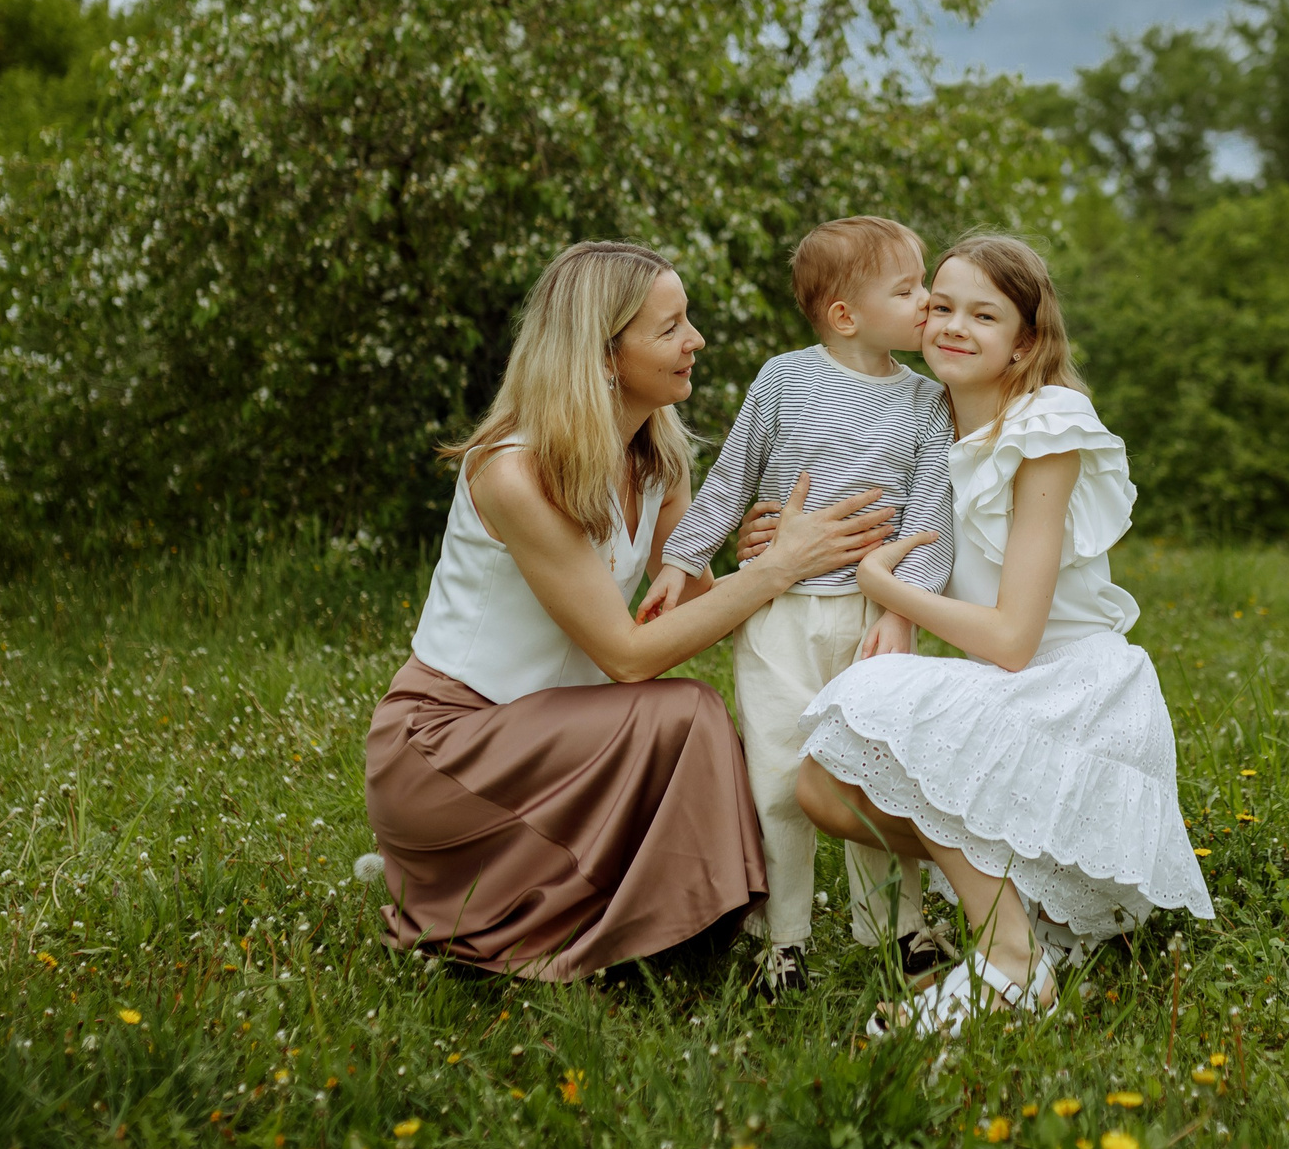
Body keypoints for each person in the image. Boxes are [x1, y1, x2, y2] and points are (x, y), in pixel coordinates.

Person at [361, 241, 895, 982]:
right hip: (448, 746)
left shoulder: (655, 461)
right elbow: (630, 653)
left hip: (558, 740)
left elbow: (702, 607)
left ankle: (665, 931)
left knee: (696, 726)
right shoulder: (514, 472)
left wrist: (772, 557)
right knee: (682, 715)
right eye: (671, 327)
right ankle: (660, 938)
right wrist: (779, 568)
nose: (695, 341)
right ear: (605, 357)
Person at [785, 235, 1214, 1031]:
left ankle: (1010, 959)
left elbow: (1015, 637)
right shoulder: (922, 415)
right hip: (1013, 690)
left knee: (872, 698)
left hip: (1075, 692)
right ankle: (1008, 908)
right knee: (818, 785)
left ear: (1025, 338)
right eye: (940, 306)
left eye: (984, 314)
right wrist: (774, 533)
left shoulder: (1047, 425)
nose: (953, 325)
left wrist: (890, 594)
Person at [639, 216, 959, 996]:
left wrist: (903, 612)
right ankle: (784, 939)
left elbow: (930, 511)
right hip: (779, 614)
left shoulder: (928, 400)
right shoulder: (783, 379)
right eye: (908, 288)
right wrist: (684, 561)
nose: (928, 302)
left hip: (870, 616)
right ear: (846, 313)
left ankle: (896, 928)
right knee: (778, 771)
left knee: (876, 772)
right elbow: (731, 478)